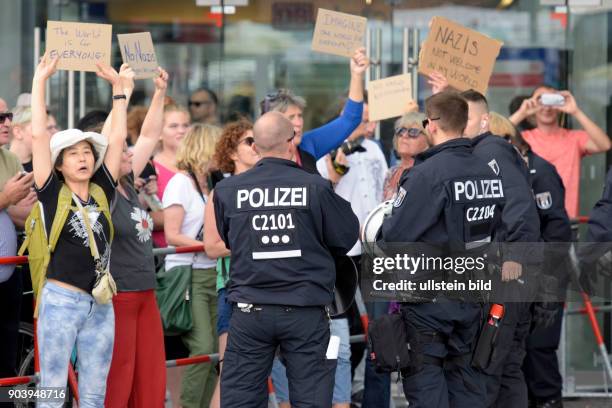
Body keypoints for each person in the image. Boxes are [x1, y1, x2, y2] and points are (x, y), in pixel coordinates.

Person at [214, 112, 359, 407]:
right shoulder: (315, 187)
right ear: (292, 142)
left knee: (241, 399)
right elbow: (346, 236)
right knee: (312, 398)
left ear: (254, 145)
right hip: (304, 309)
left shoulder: (228, 190)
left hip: (250, 310)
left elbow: (230, 239)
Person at [379, 92, 505, 408]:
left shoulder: (426, 173)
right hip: (471, 297)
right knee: (465, 388)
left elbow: (395, 235)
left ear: (432, 125)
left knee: (427, 387)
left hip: (431, 302)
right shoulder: (488, 171)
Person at [31, 54, 130, 407]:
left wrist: (119, 91)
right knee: (52, 392)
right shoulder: (52, 191)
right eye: (72, 154)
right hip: (61, 300)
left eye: (87, 151)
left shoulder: (102, 187)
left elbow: (116, 139)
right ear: (59, 164)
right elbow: (38, 137)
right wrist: (40, 80)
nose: (83, 158)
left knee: (93, 393)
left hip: (101, 302)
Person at [460, 90, 541, 408]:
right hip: (501, 275)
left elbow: (519, 205)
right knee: (502, 367)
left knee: (494, 364)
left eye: (466, 117)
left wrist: (515, 256)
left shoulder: (492, 150)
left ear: (484, 119)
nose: (460, 123)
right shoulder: (478, 152)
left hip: (508, 276)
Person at [491, 116, 571, 408]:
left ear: (508, 143)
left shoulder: (540, 172)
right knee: (515, 356)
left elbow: (557, 230)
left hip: (544, 278)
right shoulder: (499, 175)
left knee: (539, 354)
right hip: (512, 281)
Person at [104, 67, 170, 408]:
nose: (130, 153)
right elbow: (112, 140)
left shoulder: (126, 185)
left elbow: (148, 136)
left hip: (146, 292)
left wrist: (159, 92)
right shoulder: (103, 190)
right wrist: (121, 92)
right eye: (122, 151)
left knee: (151, 377)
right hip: (121, 295)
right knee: (120, 376)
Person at [163, 123, 221, 408]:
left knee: (212, 355)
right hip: (187, 274)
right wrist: (207, 246)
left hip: (210, 272)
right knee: (202, 348)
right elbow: (172, 233)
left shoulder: (208, 183)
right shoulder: (180, 183)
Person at [204, 119, 260, 408]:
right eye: (249, 141)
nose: (256, 146)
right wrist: (255, 242)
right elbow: (211, 247)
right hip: (234, 290)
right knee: (231, 375)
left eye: (258, 140)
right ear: (233, 152)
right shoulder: (221, 192)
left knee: (256, 378)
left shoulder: (268, 187)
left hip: (269, 289)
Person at [260, 48, 368, 173]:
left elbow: (350, 119)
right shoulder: (255, 153)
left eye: (299, 116)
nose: (299, 123)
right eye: (291, 118)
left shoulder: (308, 144)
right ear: (273, 125)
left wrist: (356, 75)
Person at [509, 85, 611, 218]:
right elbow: (491, 140)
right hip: (530, 219)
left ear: (559, 104)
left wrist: (576, 111)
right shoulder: (523, 139)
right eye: (541, 100)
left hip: (566, 220)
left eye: (552, 100)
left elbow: (605, 144)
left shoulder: (574, 138)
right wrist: (522, 112)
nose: (547, 107)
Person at [0, 101, 35, 389]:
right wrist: (5, 199)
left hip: (9, 271)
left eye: (8, 116)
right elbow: (12, 204)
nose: (7, 122)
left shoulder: (10, 160)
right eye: (0, 117)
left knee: (8, 358)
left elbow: (24, 213)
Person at [151, 104, 190, 248]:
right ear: (159, 133)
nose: (181, 131)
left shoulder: (200, 166)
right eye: (173, 126)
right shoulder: (149, 168)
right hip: (164, 254)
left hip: (201, 255)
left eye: (185, 125)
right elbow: (139, 217)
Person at [9, 106, 34, 171]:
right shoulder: (3, 165)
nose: (42, 133)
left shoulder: (45, 165)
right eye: (36, 128)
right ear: (18, 132)